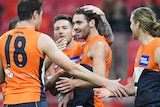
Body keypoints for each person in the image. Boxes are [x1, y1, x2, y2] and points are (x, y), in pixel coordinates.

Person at [0, 0, 127, 107]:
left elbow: (1, 78)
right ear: (35, 15)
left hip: (9, 100)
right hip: (33, 99)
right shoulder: (42, 40)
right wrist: (107, 82)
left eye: (65, 28)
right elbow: (69, 71)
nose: (60, 32)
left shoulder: (2, 39)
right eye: (56, 28)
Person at [46, 5, 115, 107]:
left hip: (93, 102)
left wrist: (74, 84)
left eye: (79, 23)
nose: (75, 27)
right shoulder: (87, 45)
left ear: (91, 23)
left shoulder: (97, 45)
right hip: (81, 101)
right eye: (74, 23)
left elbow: (100, 78)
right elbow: (110, 39)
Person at [94, 7, 160, 107]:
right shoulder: (141, 49)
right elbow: (134, 86)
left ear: (137, 24)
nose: (130, 27)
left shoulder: (157, 46)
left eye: (131, 23)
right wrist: (111, 93)